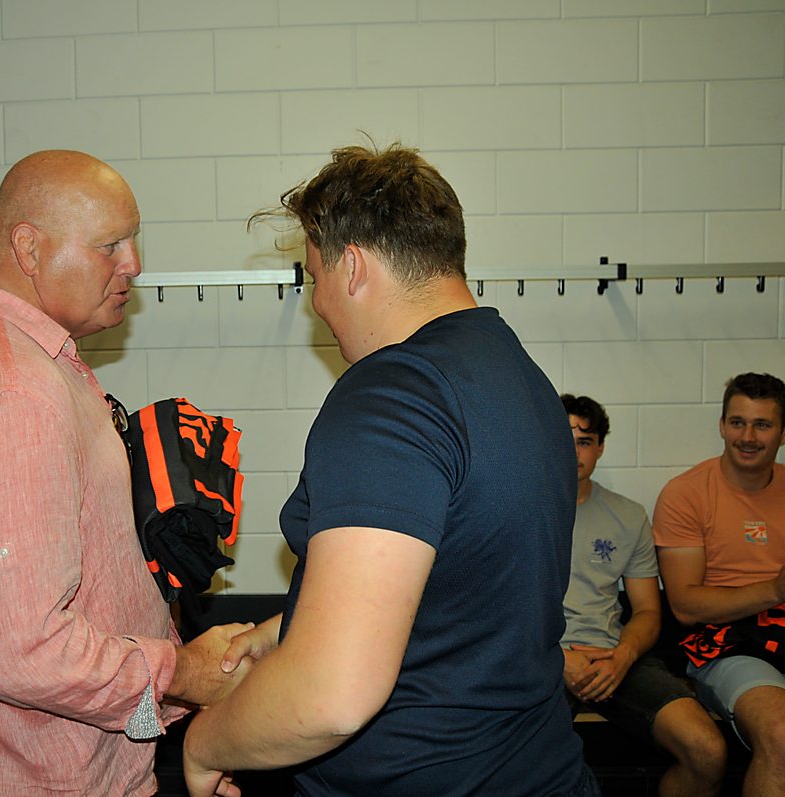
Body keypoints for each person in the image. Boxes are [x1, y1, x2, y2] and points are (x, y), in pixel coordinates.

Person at [181, 143, 597, 797]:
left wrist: (207, 741)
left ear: (352, 266)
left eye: (313, 275)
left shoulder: (392, 393)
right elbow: (467, 588)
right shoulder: (521, 377)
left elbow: (332, 694)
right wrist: (292, 629)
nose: (317, 302)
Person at [0, 149, 251, 796]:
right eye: (109, 245)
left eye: (133, 240)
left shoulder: (1, 347)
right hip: (48, 777)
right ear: (29, 249)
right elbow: (22, 650)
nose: (133, 264)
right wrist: (183, 673)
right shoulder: (13, 389)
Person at [560, 394, 726, 796]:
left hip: (616, 656)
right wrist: (557, 658)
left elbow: (649, 611)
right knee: (530, 765)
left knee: (707, 751)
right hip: (543, 658)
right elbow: (499, 610)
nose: (574, 451)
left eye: (585, 441)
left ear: (600, 447)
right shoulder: (515, 510)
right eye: (564, 440)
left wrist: (623, 657)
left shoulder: (628, 515)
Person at [654, 372, 785, 797]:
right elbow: (685, 606)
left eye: (762, 425)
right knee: (781, 733)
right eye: (737, 422)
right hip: (725, 644)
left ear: (783, 433)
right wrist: (776, 590)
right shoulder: (687, 493)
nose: (747, 437)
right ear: (722, 425)